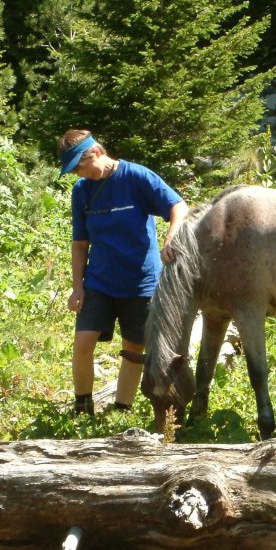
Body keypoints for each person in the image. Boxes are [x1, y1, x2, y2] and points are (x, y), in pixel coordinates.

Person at [58, 129, 188, 417]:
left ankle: (122, 409)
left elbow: (178, 206)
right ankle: (82, 409)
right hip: (99, 281)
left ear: (98, 152)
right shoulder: (82, 191)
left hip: (140, 282)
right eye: (75, 170)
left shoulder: (136, 177)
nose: (80, 174)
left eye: (82, 166)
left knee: (134, 348)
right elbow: (80, 243)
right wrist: (77, 287)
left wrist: (171, 237)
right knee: (83, 343)